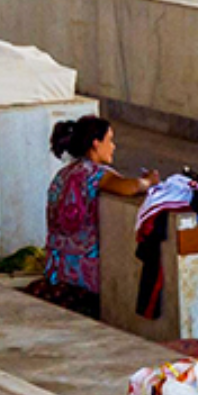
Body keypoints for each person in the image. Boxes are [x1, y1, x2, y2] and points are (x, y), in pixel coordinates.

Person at [24, 116, 157, 318]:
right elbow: (129, 187)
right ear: (96, 143)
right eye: (109, 140)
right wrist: (148, 181)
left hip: (55, 272)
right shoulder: (94, 174)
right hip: (82, 280)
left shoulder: (63, 175)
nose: (113, 146)